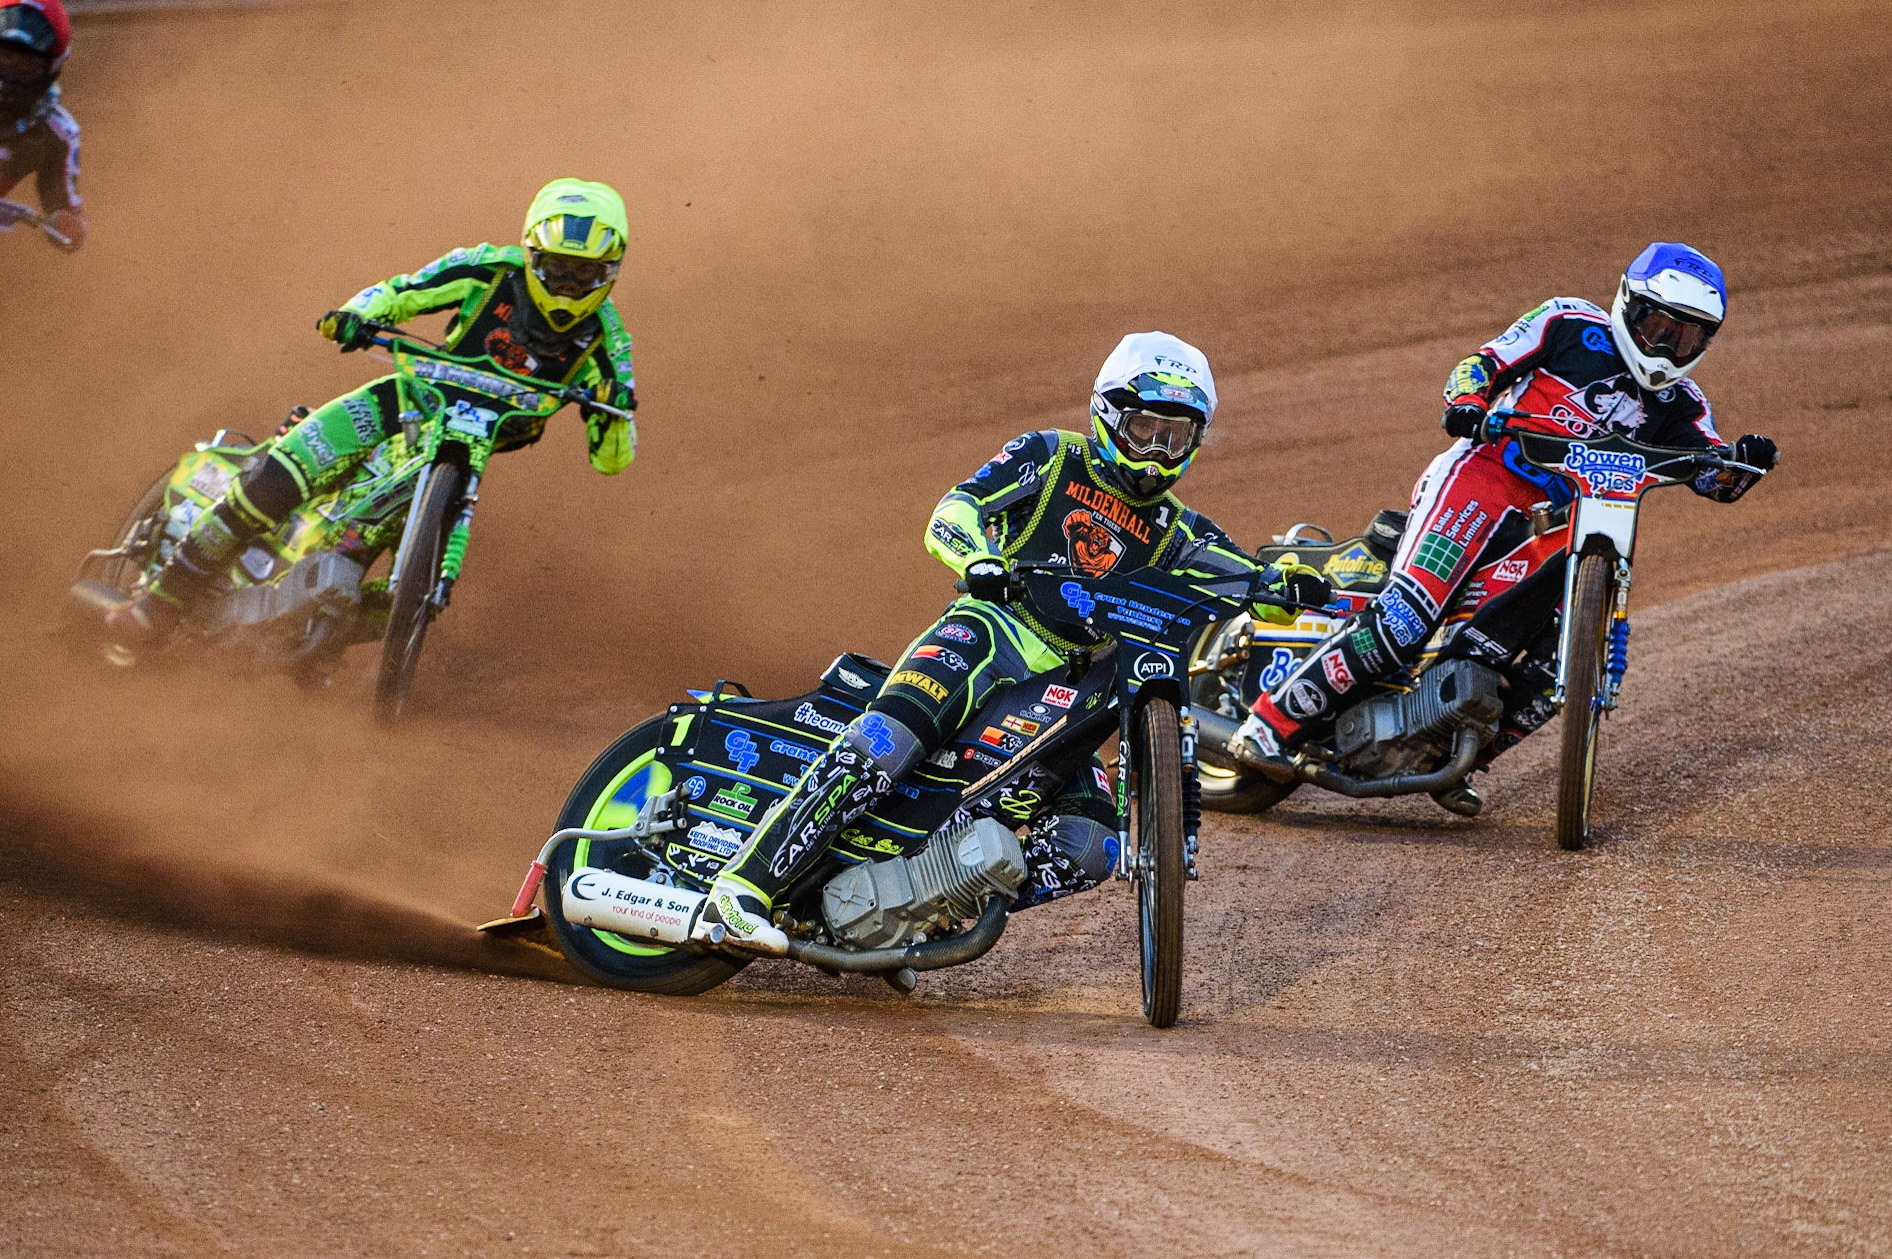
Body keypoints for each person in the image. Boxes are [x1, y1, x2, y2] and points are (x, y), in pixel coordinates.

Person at [692, 332, 1329, 953]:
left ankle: (912, 910)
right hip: (988, 635)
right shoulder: (1050, 455)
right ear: (1109, 413)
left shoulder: (1180, 530)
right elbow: (956, 509)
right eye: (1144, 429)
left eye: (1176, 436)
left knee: (1091, 846)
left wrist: (1291, 583)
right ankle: (741, 888)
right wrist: (979, 560)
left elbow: (1249, 578)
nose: (1158, 452)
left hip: (1075, 697)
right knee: (880, 746)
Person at [1230, 242, 1780, 813]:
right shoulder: (1569, 324)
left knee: (1555, 667)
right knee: (1408, 617)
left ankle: (1451, 760)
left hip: (1564, 524)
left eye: (1686, 336)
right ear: (1627, 304)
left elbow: (1716, 476)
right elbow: (1481, 365)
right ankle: (1268, 724)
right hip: (1484, 479)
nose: (1666, 345)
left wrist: (1748, 463)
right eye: (1657, 324)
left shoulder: (1683, 406)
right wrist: (1467, 401)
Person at [105, 177, 638, 643]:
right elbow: (402, 293)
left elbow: (614, 461)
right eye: (557, 270)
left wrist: (614, 414)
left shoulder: (608, 342)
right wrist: (355, 315)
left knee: (415, 597)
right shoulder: (488, 269)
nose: (567, 289)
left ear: (610, 272)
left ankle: (315, 643)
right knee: (278, 477)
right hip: (406, 402)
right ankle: (157, 605)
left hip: (461, 454)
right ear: (530, 255)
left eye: (583, 275)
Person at [0, 0, 82, 250]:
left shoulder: (56, 133)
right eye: (3, 57)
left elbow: (67, 218)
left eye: (23, 65)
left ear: (52, 68)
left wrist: (68, 227)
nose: (8, 73)